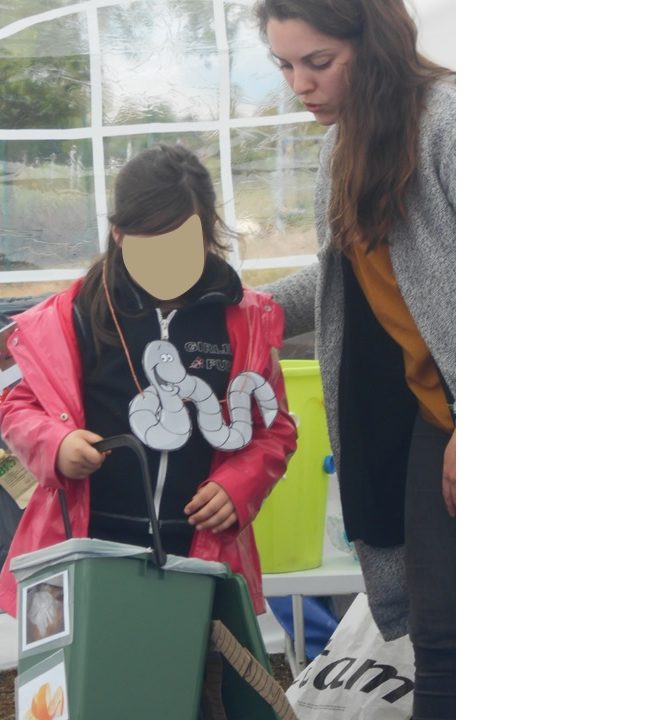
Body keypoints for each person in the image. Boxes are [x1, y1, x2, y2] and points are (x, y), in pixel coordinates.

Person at [255, 1, 456, 717]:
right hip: (432, 420)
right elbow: (338, 277)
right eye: (284, 65)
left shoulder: (451, 125)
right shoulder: (342, 148)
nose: (300, 85)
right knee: (441, 640)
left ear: (376, 46)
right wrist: (237, 311)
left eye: (319, 62)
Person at [0, 144, 297, 618]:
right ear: (119, 234)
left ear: (209, 232)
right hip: (85, 553)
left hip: (198, 555)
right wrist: (55, 444)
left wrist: (239, 486)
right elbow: (17, 406)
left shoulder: (245, 322)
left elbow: (274, 428)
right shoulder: (73, 317)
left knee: (193, 662)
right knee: (93, 663)